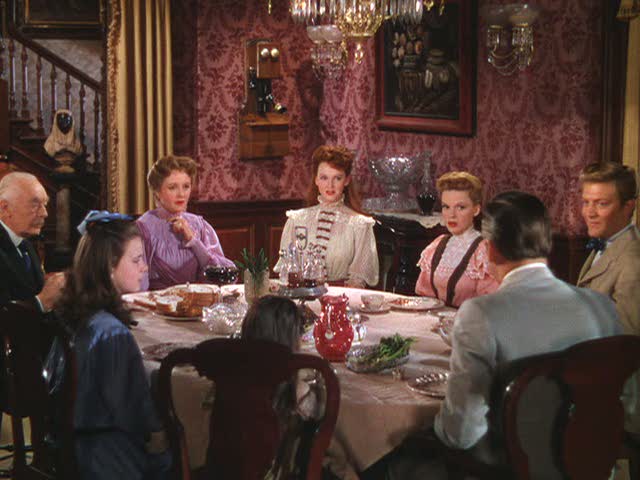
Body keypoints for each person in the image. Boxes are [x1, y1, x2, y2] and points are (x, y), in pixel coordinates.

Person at [387, 191, 621, 479]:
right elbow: (626, 407)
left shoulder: (482, 314)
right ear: (545, 243)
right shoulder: (603, 307)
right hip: (592, 466)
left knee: (396, 458)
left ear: (490, 250)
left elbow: (461, 434)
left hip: (509, 470)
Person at [52, 211, 171, 480]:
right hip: (109, 458)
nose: (145, 268)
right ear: (109, 265)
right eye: (137, 259)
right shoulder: (112, 333)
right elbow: (132, 413)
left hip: (72, 444)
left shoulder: (80, 314)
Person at [275, 145, 378, 288]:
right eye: (324, 178)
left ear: (346, 180)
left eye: (337, 178)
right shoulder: (296, 220)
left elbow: (358, 279)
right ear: (316, 180)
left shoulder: (360, 225)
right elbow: (286, 272)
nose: (330, 185)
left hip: (342, 300)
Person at [137, 155, 234, 290]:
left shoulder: (199, 225)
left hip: (196, 303)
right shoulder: (144, 227)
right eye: (172, 187)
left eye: (186, 186)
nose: (181, 194)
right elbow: (139, 283)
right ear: (157, 192)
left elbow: (223, 274)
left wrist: (193, 241)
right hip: (157, 306)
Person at [415, 171, 498, 307]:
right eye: (446, 207)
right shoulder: (437, 245)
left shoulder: (483, 251)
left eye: (460, 207)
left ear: (476, 210)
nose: (451, 215)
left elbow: (490, 306)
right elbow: (424, 296)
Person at [577, 162, 640, 335]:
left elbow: (629, 343)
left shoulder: (633, 262)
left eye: (601, 204)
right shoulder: (605, 241)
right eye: (586, 202)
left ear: (628, 207)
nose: (590, 213)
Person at [0, 172, 65, 311]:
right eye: (35, 204)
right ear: (5, 208)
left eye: (45, 204)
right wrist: (41, 302)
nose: (45, 213)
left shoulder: (26, 244)